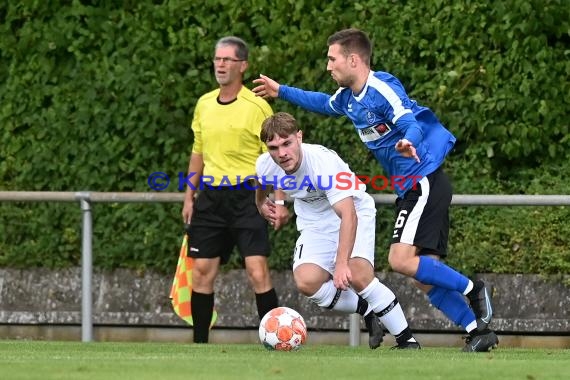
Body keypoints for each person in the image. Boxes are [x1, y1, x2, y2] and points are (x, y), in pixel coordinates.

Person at [252, 28, 498, 352]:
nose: (328, 67)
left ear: (352, 59)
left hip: (423, 179)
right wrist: (281, 90)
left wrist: (410, 140)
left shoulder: (381, 86)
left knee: (400, 260)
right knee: (425, 274)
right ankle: (476, 330)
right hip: (408, 186)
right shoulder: (347, 99)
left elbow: (407, 117)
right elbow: (320, 103)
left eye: (332, 59)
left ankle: (472, 288)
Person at [255, 112, 420, 350]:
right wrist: (260, 203)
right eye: (274, 147)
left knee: (358, 274)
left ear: (299, 137)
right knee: (307, 281)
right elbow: (262, 182)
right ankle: (368, 310)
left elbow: (348, 215)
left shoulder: (323, 162)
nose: (282, 153)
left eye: (287, 143)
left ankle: (407, 342)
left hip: (354, 211)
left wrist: (342, 263)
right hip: (314, 222)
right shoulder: (266, 164)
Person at [182, 36, 288, 344]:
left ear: (243, 65)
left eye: (227, 59)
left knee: (257, 271)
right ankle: (199, 345)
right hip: (211, 198)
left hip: (247, 197)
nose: (220, 65)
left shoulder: (257, 107)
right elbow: (197, 152)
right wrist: (189, 195)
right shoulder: (203, 104)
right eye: (217, 59)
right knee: (202, 272)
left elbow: (276, 155)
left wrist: (279, 201)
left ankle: (275, 340)